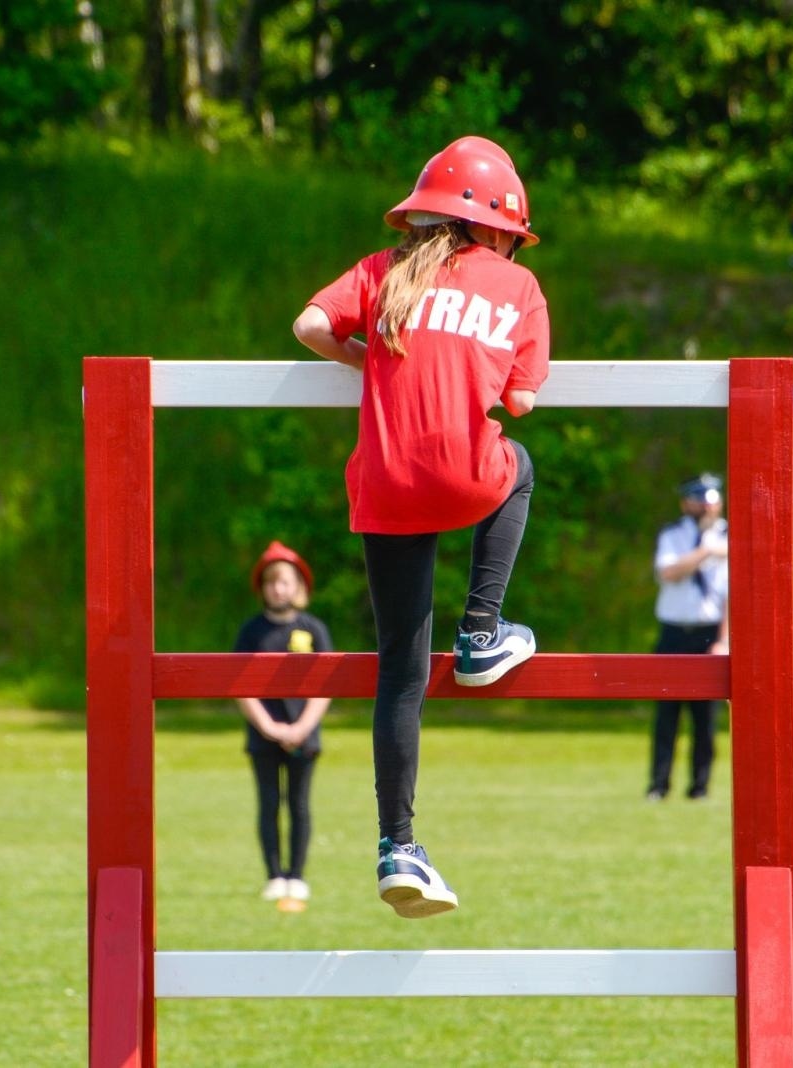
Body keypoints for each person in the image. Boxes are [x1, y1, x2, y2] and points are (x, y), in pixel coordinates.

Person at [292, 134, 549, 918]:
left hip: (383, 482)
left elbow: (308, 325)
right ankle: (481, 632)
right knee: (523, 465)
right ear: (498, 226)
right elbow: (523, 401)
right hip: (463, 474)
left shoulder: (384, 270)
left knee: (399, 669)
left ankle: (397, 846)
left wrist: (368, 357)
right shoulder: (518, 285)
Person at [233, 541, 333, 907]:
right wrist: (270, 728)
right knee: (268, 804)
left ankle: (298, 876)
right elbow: (240, 685)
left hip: (304, 736)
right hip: (263, 738)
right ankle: (274, 875)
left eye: (286, 581)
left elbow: (326, 687)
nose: (279, 588)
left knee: (300, 805)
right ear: (262, 588)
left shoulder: (314, 629)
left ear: (299, 587)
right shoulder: (251, 632)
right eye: (272, 582)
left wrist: (301, 727)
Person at [647, 474, 729, 801]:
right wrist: (705, 552)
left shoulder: (731, 537)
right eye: (698, 499)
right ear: (686, 503)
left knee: (705, 721)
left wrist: (723, 641)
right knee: (666, 716)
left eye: (710, 500)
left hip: (709, 634)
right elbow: (668, 572)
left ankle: (700, 787)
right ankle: (658, 785)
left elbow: (731, 596)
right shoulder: (673, 534)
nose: (705, 506)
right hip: (673, 632)